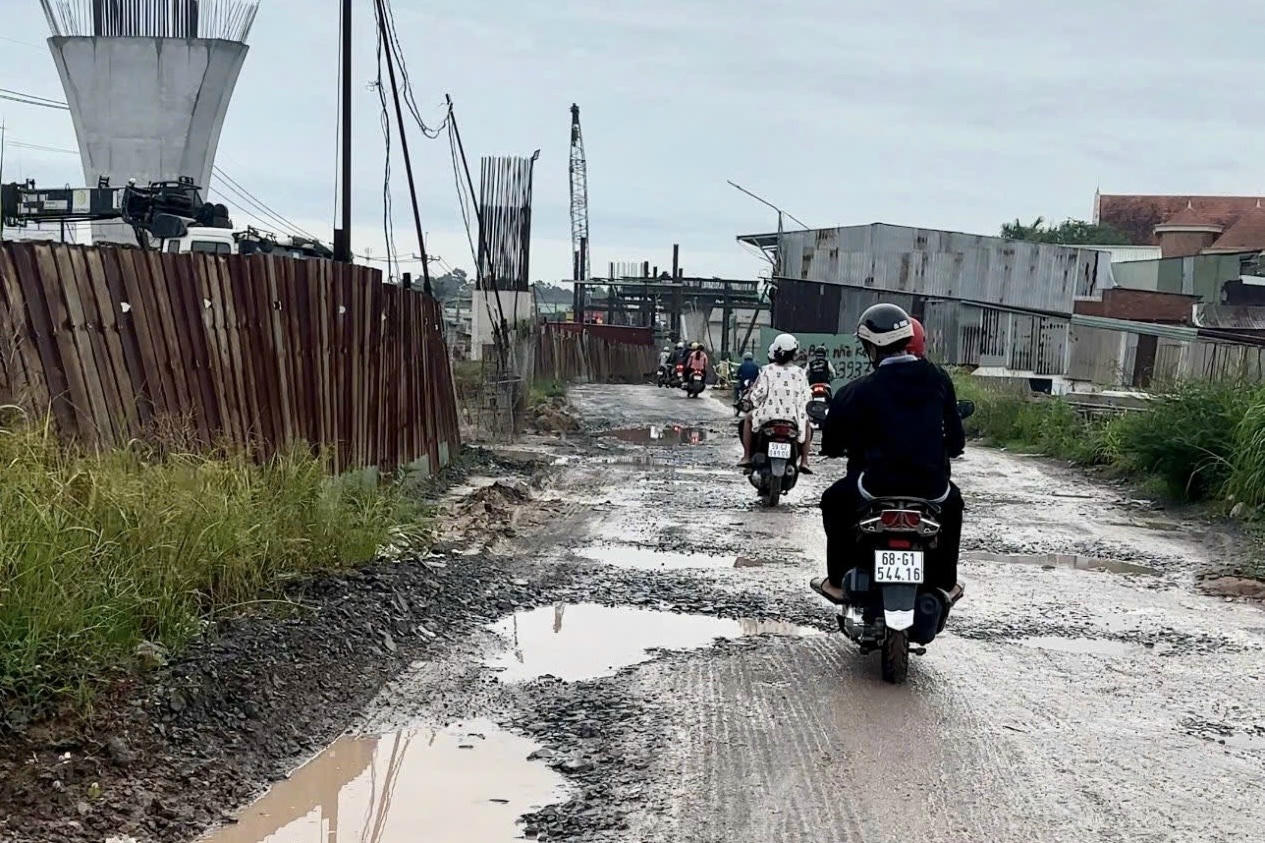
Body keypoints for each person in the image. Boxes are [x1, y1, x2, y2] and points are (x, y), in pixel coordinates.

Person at [812, 303, 965, 601]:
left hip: (876, 487)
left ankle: (837, 580)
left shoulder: (857, 390)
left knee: (832, 501)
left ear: (871, 346)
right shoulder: (938, 379)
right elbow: (957, 439)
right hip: (931, 488)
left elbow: (830, 442)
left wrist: (836, 448)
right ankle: (946, 581)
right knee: (954, 506)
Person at [738, 333, 813, 473]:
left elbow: (759, 393)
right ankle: (804, 461)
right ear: (794, 352)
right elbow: (807, 397)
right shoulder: (800, 372)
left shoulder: (768, 370)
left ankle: (747, 457)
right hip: (793, 418)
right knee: (808, 425)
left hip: (768, 416)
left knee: (748, 419)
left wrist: (751, 401)